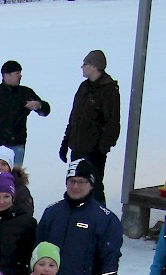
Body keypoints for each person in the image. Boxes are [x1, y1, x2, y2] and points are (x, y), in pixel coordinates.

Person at [59, 50, 121, 205]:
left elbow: (113, 123)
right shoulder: (84, 87)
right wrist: (65, 143)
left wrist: (102, 148)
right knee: (76, 185)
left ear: (94, 66)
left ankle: (100, 221)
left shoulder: (109, 90)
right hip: (77, 147)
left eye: (85, 64)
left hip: (94, 150)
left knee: (95, 186)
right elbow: (74, 118)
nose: (82, 67)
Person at [0, 60, 51, 166]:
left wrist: (39, 105)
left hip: (17, 145)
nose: (20, 76)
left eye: (20, 73)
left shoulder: (25, 93)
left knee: (14, 179)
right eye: (17, 73)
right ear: (6, 75)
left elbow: (46, 111)